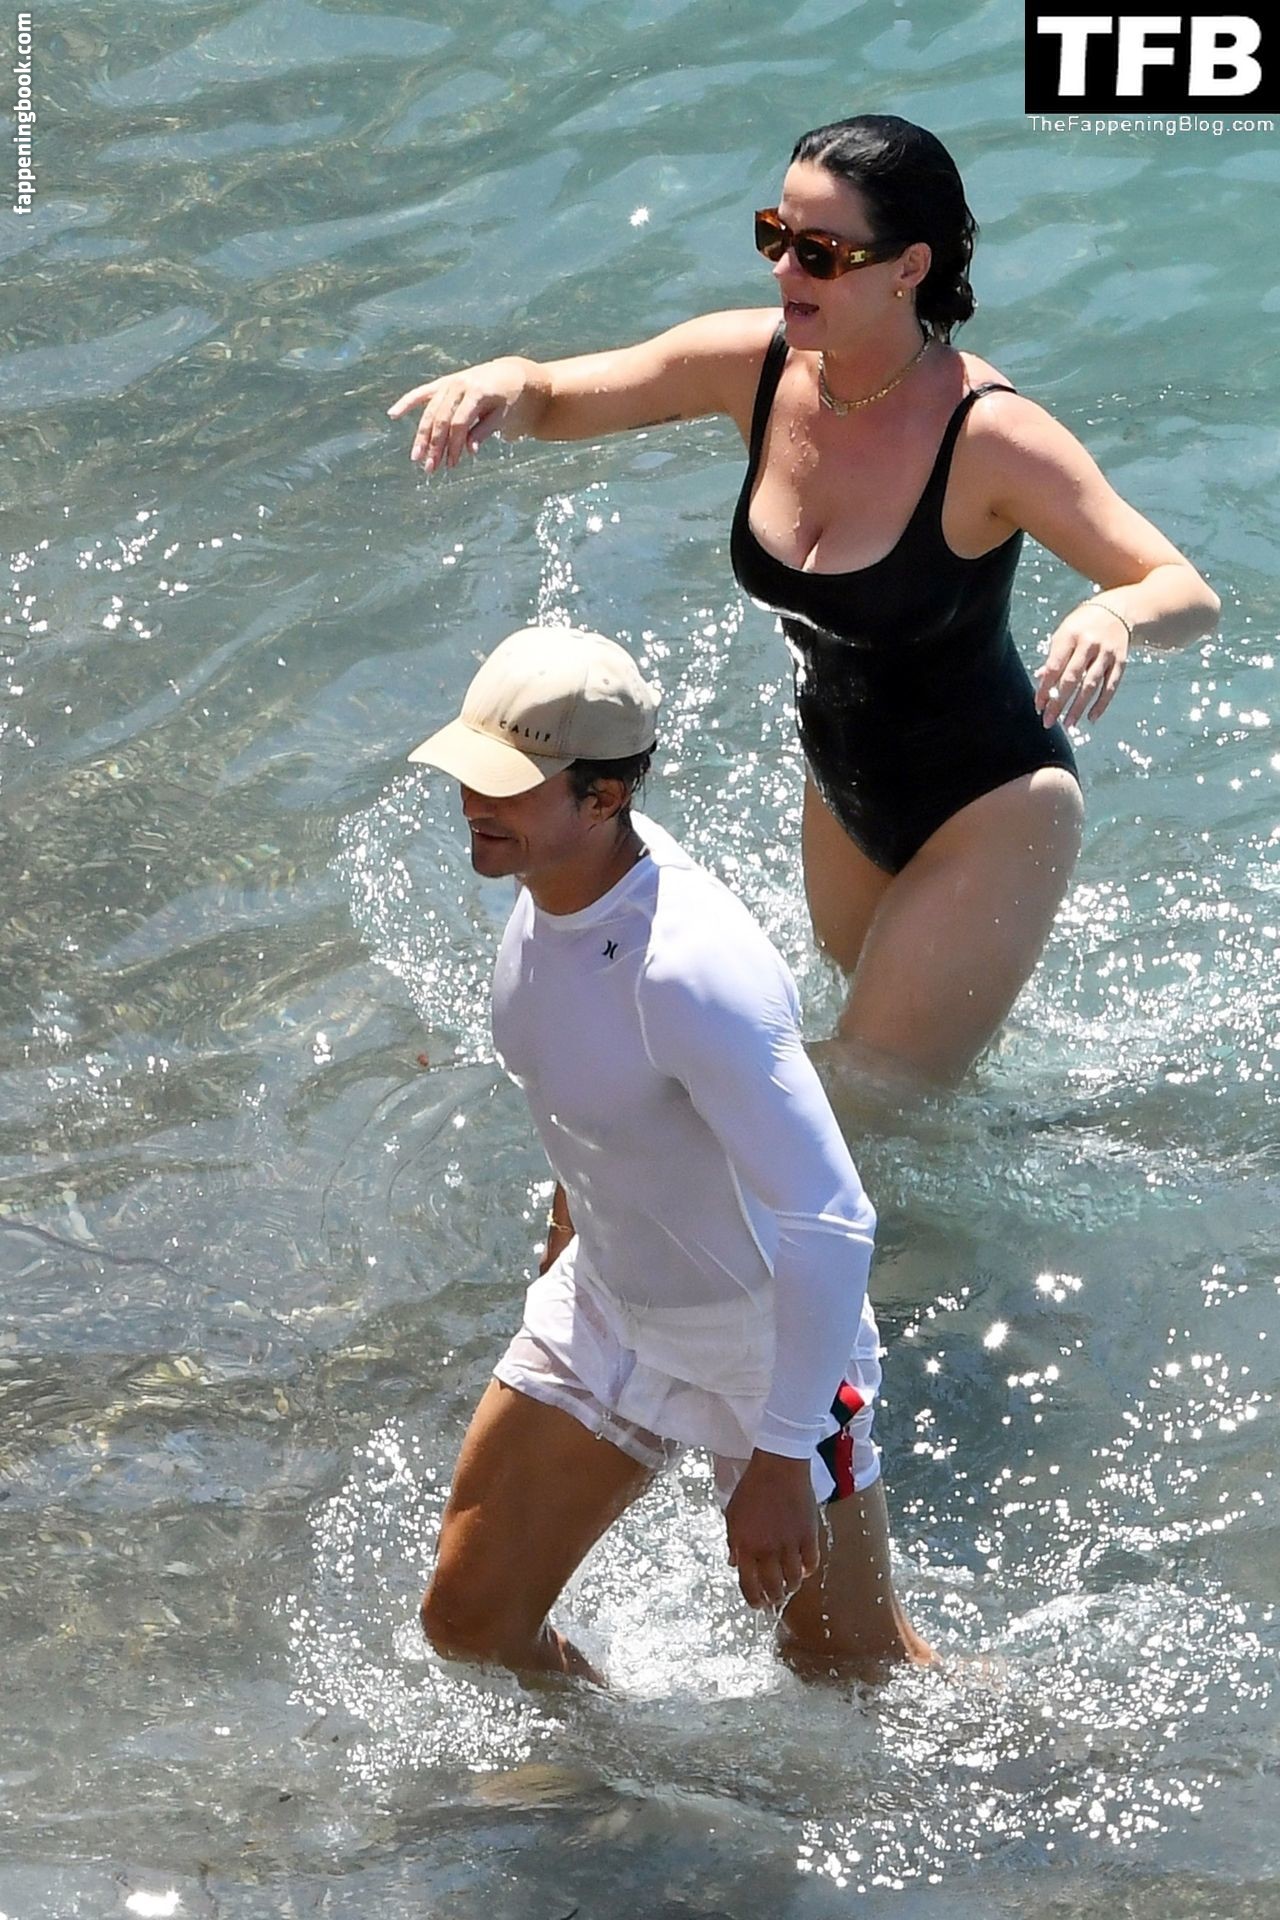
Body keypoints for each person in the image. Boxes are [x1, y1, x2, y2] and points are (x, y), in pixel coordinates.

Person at [388, 114, 1220, 1090]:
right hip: (844, 790)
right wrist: (504, 382)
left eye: (819, 252)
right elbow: (564, 396)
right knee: (881, 1090)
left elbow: (1180, 589)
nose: (784, 269)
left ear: (908, 267)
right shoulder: (758, 367)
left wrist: (1112, 614)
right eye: (773, 235)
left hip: (991, 806)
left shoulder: (987, 435)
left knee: (856, 1091)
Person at [408, 622, 930, 1685]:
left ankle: (1052, 1761)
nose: (472, 802)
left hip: (765, 1346)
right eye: (468, 771)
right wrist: (565, 1244)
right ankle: (610, 1777)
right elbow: (587, 1101)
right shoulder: (546, 896)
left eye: (506, 785)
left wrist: (784, 1450)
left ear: (602, 797)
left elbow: (832, 1221)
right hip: (608, 1303)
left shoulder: (691, 972)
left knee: (851, 1675)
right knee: (471, 1625)